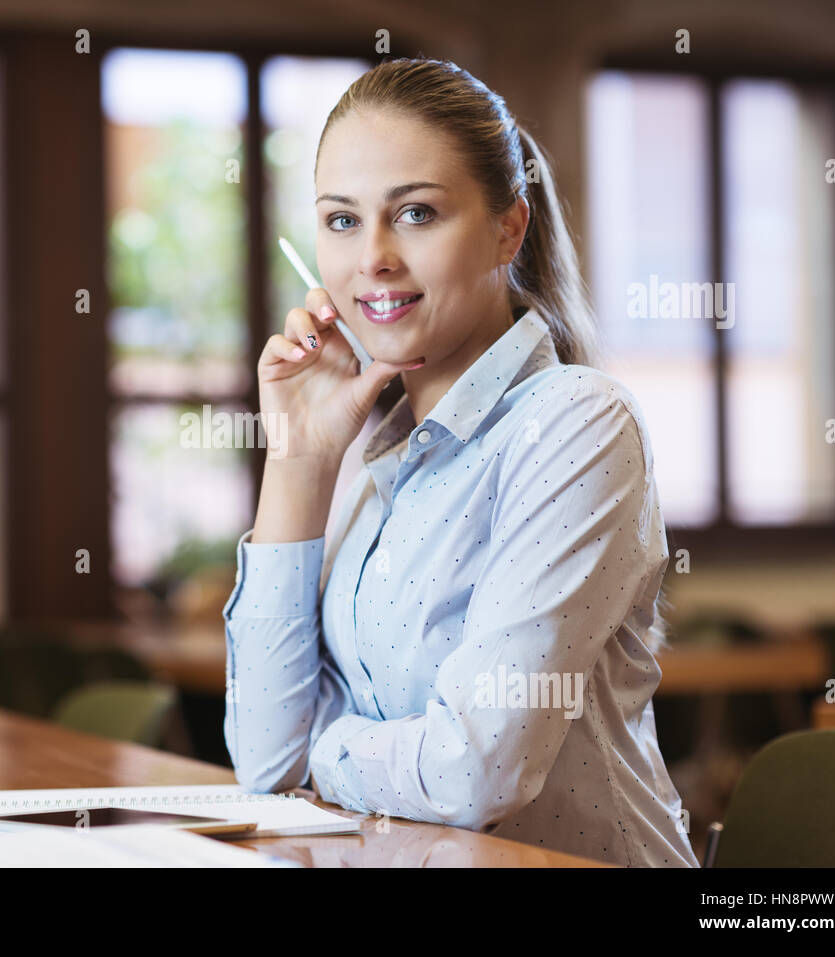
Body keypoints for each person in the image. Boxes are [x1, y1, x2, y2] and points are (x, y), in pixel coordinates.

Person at [222, 57, 699, 867]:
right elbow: (265, 761)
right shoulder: (374, 453)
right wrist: (300, 460)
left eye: (415, 213)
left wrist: (323, 751)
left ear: (509, 227)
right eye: (342, 220)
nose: (371, 257)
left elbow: (479, 769)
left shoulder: (576, 423)